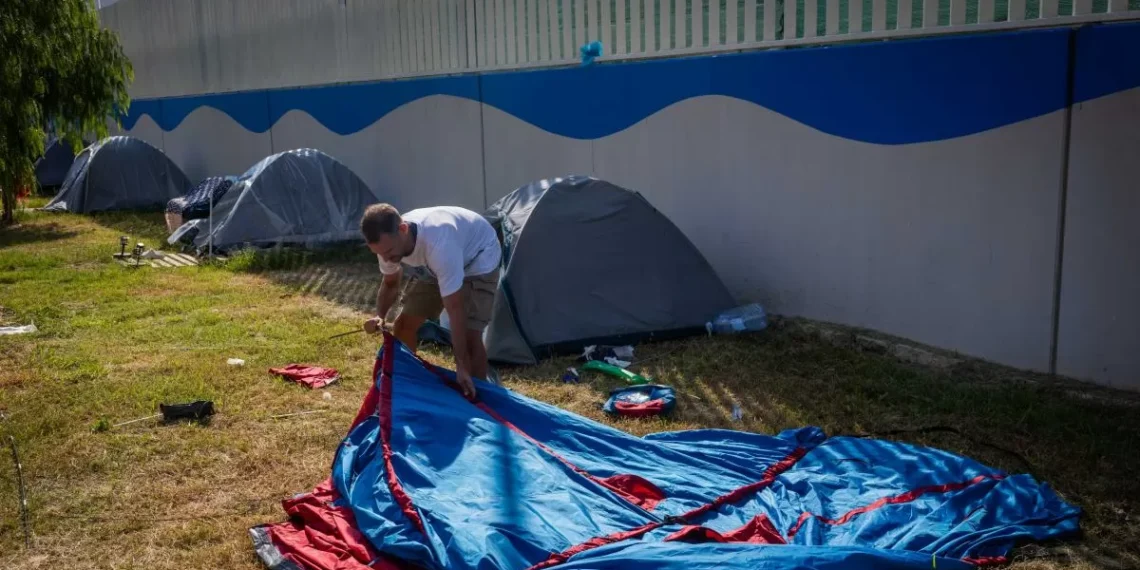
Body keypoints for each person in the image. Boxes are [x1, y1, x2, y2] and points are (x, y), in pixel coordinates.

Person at [360, 204, 501, 399]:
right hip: (435, 267)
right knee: (403, 326)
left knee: (470, 336)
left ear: (403, 229)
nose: (386, 259)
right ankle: (411, 386)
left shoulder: (439, 243)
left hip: (478, 259)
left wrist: (461, 365)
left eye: (389, 252)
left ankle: (479, 397)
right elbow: (391, 283)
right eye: (380, 253)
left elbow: (455, 308)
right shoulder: (387, 245)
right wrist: (380, 316)